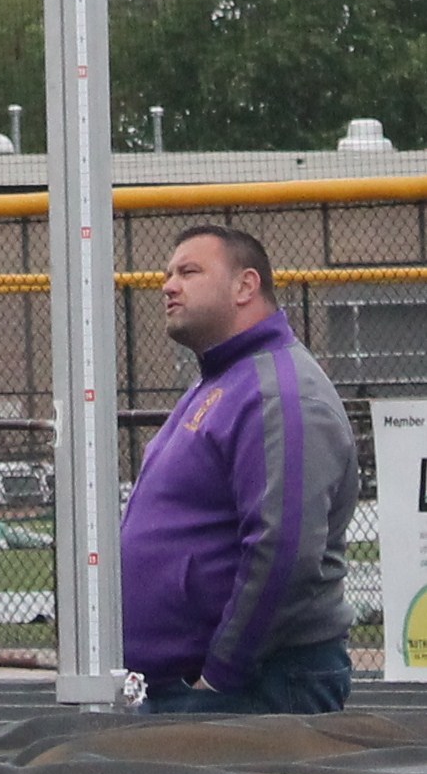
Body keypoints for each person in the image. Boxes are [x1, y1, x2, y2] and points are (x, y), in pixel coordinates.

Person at [120, 224, 357, 714]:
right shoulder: (219, 382)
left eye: (189, 271)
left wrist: (219, 675)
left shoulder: (279, 393)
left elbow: (284, 550)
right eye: (168, 274)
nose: (168, 285)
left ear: (245, 286)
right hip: (196, 684)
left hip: (254, 685)